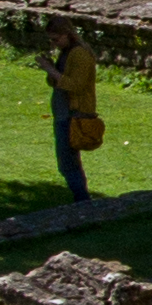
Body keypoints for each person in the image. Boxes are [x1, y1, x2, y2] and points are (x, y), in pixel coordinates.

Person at [47, 19, 104, 209]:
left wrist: (49, 70)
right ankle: (81, 201)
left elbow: (75, 85)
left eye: (56, 39)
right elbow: (58, 81)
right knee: (68, 162)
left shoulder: (79, 54)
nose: (53, 44)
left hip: (73, 115)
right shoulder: (67, 52)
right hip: (65, 113)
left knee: (68, 163)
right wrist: (52, 71)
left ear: (67, 34)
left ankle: (82, 202)